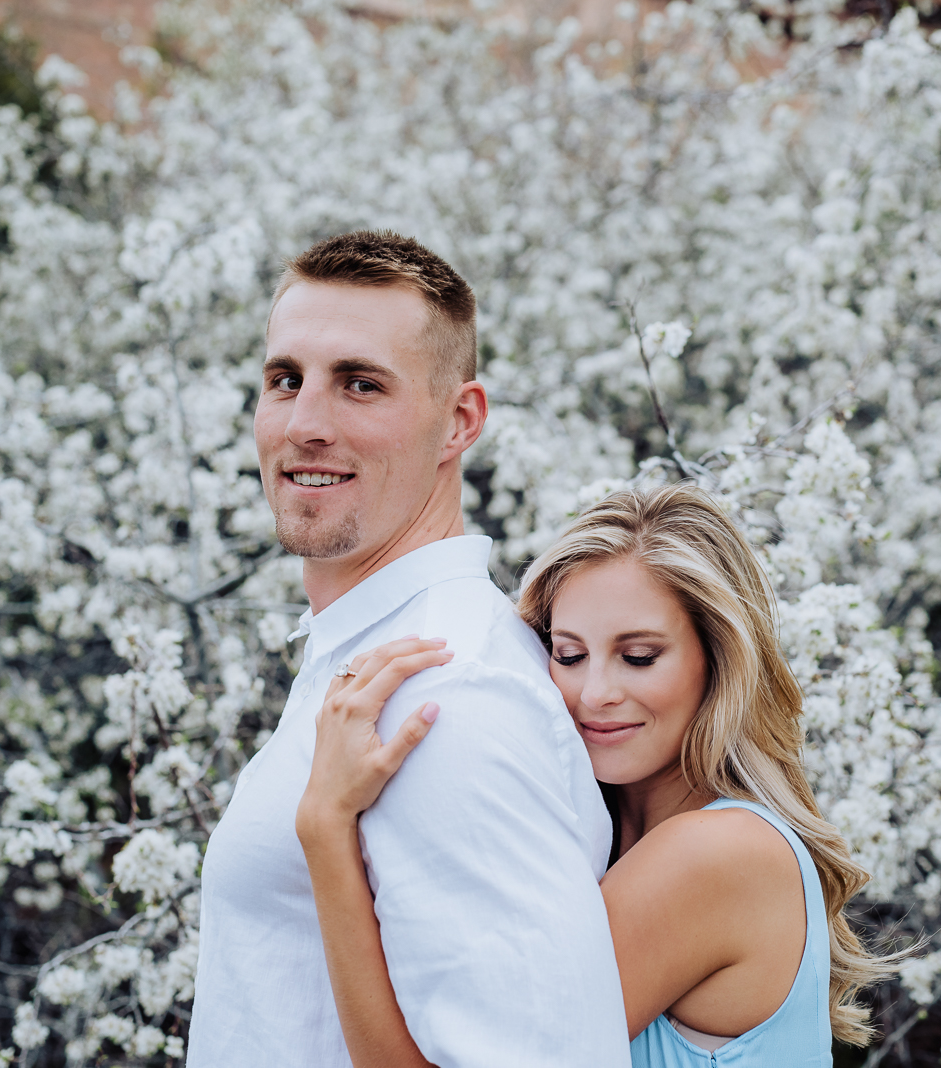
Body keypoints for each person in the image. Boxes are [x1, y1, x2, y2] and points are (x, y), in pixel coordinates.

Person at [187, 231, 630, 1067]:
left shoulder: (446, 697)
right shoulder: (370, 656)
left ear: (458, 421)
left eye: (360, 385)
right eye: (285, 380)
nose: (305, 423)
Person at [296, 484, 899, 1067]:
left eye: (639, 657)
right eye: (569, 654)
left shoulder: (717, 854)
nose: (596, 693)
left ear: (718, 661)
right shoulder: (602, 840)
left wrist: (325, 826)